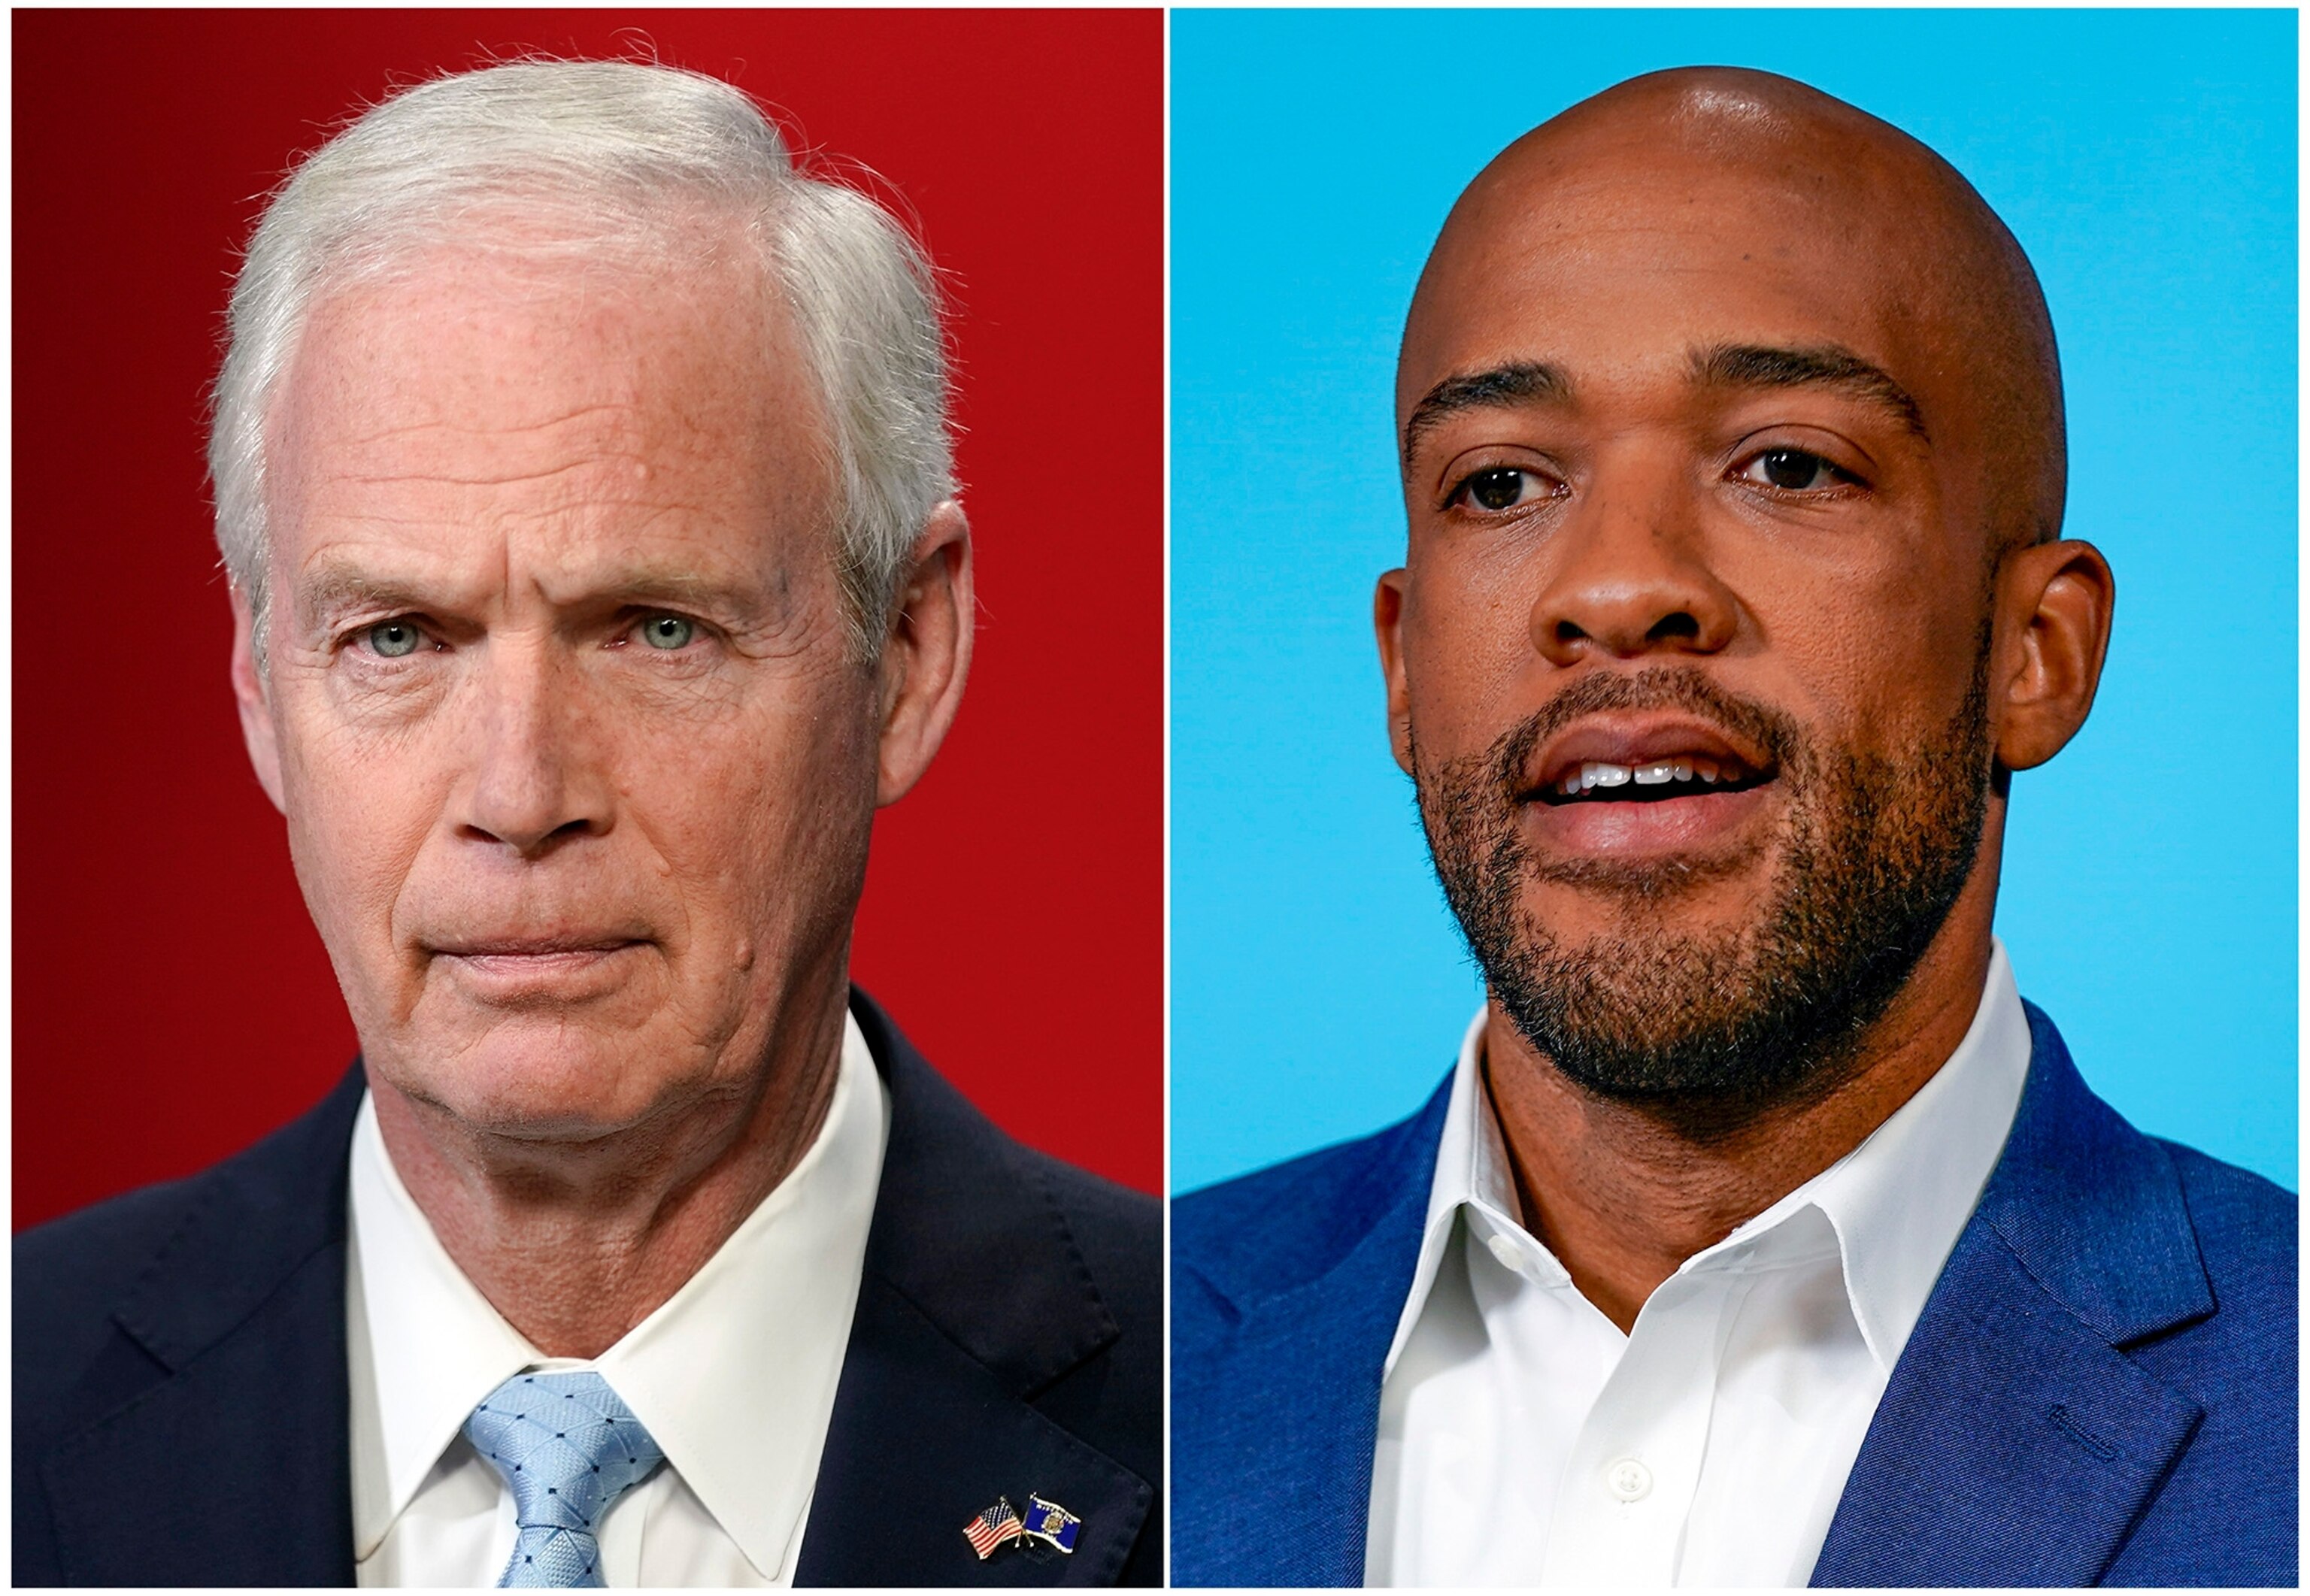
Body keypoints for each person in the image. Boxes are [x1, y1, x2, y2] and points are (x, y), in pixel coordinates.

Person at [16, 61, 1158, 1588]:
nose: (519, 795)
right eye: (399, 639)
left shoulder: (1209, 1404)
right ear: (257, 680)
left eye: (655, 630)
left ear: (905, 655)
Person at [1172, 66, 2293, 1588]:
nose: (1618, 586)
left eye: (1787, 465)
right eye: (1501, 482)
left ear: (2034, 652)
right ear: (1400, 668)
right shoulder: (1104, 1367)